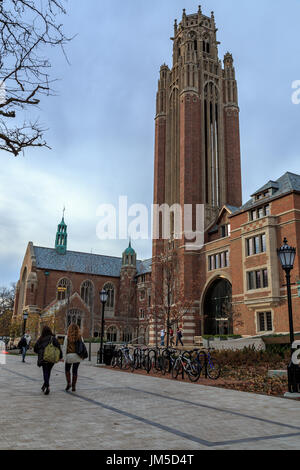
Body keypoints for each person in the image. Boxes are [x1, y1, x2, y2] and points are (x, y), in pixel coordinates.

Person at [34, 326, 62, 395]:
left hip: (44, 358)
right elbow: (58, 347)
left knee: (45, 372)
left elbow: (35, 348)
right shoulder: (53, 338)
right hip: (51, 358)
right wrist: (60, 357)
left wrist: (40, 352)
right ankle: (45, 385)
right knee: (48, 372)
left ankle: (47, 386)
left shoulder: (41, 339)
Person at [62, 323, 85, 392]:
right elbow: (82, 347)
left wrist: (64, 358)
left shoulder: (67, 337)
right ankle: (74, 386)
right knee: (75, 371)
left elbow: (64, 348)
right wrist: (82, 356)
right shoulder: (80, 337)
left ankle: (68, 383)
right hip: (77, 356)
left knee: (67, 370)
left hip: (69, 356)